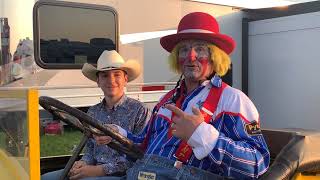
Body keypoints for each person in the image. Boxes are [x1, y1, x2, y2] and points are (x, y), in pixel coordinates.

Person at [105, 12, 270, 179]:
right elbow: (144, 147)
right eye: (184, 49)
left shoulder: (234, 100)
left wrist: (203, 136)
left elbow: (257, 164)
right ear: (177, 58)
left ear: (215, 56)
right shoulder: (167, 99)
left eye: (200, 49)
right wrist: (118, 135)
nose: (191, 57)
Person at [41, 50, 150, 180]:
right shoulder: (93, 112)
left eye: (117, 75)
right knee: (46, 178)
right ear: (98, 81)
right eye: (105, 76)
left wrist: (98, 171)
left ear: (125, 79)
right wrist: (84, 163)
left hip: (123, 175)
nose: (111, 80)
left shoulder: (140, 111)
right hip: (94, 169)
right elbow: (90, 149)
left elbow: (140, 155)